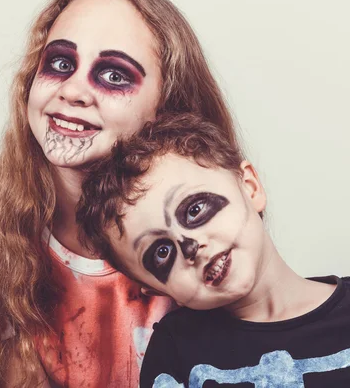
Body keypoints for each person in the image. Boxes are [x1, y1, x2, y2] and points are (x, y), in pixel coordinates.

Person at [0, 0, 246, 386]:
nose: (73, 91)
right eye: (60, 63)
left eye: (114, 75)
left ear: (167, 107)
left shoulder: (201, 235)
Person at [76, 112, 350, 387]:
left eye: (194, 210)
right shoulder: (175, 350)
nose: (190, 247)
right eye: (161, 252)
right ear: (156, 288)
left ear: (250, 188)